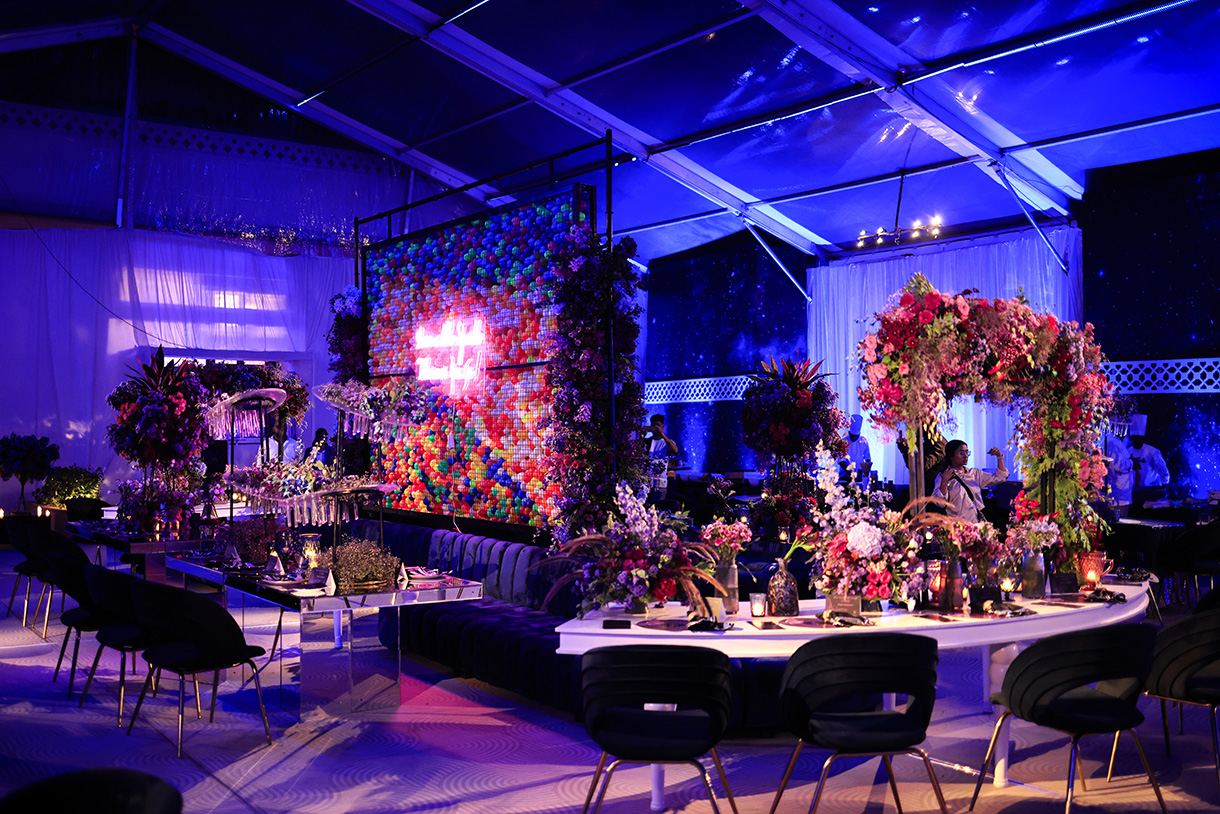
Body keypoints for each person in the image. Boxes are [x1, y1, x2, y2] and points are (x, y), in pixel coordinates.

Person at [933, 440, 1008, 523]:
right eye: (961, 453)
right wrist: (944, 481)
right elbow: (940, 503)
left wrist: (999, 457)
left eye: (966, 452)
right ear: (951, 455)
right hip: (957, 525)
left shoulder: (974, 474)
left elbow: (1000, 477)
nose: (965, 456)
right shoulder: (943, 476)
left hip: (976, 523)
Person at [1126, 414, 1170, 487]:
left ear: (1143, 439)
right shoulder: (1127, 452)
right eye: (1135, 438)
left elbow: (1163, 471)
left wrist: (1164, 486)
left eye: (1139, 438)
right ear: (1131, 438)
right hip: (1133, 489)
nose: (1137, 440)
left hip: (1151, 488)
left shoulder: (1153, 452)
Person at [644, 414, 678, 502]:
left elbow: (675, 450)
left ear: (663, 426)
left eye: (658, 425)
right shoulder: (647, 441)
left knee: (658, 507)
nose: (655, 428)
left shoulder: (666, 442)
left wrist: (662, 434)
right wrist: (644, 432)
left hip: (660, 484)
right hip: (646, 484)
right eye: (653, 425)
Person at [1104, 428, 1133, 515]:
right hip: (1118, 494)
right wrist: (1131, 462)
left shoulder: (1114, 440)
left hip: (1120, 493)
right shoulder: (1113, 442)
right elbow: (1119, 465)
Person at [839, 413, 872, 481]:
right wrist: (849, 473)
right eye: (852, 436)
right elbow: (841, 460)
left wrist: (866, 472)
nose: (854, 438)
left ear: (859, 434)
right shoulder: (843, 441)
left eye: (856, 436)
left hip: (860, 476)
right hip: (845, 476)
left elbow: (867, 458)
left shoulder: (863, 441)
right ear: (849, 433)